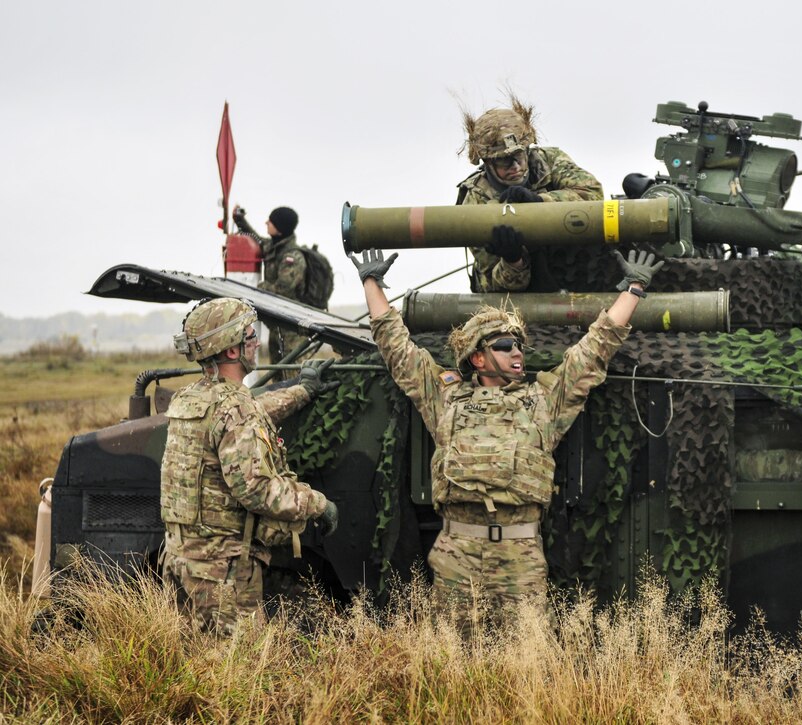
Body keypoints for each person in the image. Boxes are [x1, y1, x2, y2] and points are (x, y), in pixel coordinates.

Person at [349, 246, 664, 632]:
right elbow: (397, 349)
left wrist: (632, 289)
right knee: (451, 659)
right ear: (477, 358)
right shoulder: (446, 398)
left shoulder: (544, 401)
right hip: (456, 555)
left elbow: (594, 350)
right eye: (503, 346)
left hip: (520, 556)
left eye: (517, 345)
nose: (517, 353)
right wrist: (371, 283)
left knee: (526, 662)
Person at [161, 296, 340, 635]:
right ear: (231, 350)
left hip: (182, 559)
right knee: (235, 675)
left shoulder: (189, 399)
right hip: (222, 571)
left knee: (191, 666)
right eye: (250, 335)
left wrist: (302, 392)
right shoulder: (235, 410)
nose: (257, 341)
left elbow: (249, 412)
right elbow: (256, 490)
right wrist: (318, 504)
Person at [456, 96, 604, 292]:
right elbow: (493, 286)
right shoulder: (476, 203)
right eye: (504, 161)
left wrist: (540, 202)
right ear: (488, 163)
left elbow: (593, 195)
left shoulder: (549, 161)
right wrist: (513, 260)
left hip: (577, 274)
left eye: (518, 156)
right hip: (528, 296)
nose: (515, 166)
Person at [232, 205, 311, 367]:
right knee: (277, 374)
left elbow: (283, 291)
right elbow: (253, 237)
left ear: (280, 228)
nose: (266, 222)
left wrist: (259, 287)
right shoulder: (273, 247)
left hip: (292, 330)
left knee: (292, 374)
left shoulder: (292, 257)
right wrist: (240, 220)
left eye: (271, 221)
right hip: (278, 326)